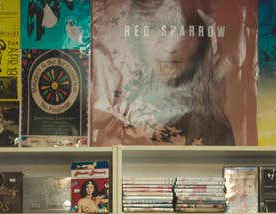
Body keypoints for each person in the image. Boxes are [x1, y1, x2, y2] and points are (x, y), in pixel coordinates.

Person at [91, 0, 235, 145]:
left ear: (202, 40)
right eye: (155, 28)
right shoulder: (113, 119)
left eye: (185, 29)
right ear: (137, 37)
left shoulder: (216, 128)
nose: (171, 47)